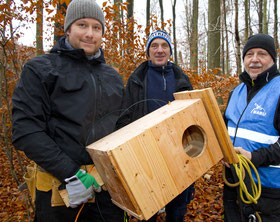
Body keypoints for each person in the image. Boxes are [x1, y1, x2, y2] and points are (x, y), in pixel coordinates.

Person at [11, 0, 126, 221]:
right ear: (68, 29)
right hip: (60, 191)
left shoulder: (112, 76)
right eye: (82, 25)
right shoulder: (41, 69)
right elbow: (26, 130)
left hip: (106, 193)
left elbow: (123, 128)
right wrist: (71, 173)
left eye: (96, 27)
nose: (90, 34)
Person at [222, 33, 280, 222]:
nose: (254, 60)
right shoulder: (236, 92)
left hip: (266, 192)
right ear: (243, 59)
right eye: (249, 54)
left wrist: (253, 157)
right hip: (233, 185)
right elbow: (222, 132)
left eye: (262, 54)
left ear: (273, 59)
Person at [119, 30, 195, 222]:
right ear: (148, 51)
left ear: (170, 51)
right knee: (148, 212)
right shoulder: (136, 80)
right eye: (154, 46)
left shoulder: (182, 80)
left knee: (177, 211)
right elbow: (125, 117)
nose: (159, 50)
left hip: (178, 154)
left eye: (164, 46)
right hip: (146, 156)